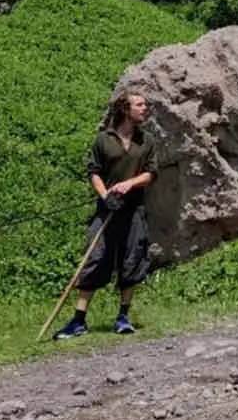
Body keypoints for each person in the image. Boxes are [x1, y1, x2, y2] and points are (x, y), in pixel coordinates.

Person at [53, 90, 159, 340]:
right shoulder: (103, 139)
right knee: (95, 259)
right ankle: (78, 321)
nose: (145, 108)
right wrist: (105, 196)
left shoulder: (147, 141)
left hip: (134, 211)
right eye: (140, 105)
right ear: (125, 109)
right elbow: (94, 171)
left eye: (145, 105)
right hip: (107, 211)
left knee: (132, 260)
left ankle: (123, 317)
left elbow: (151, 173)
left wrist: (129, 184)